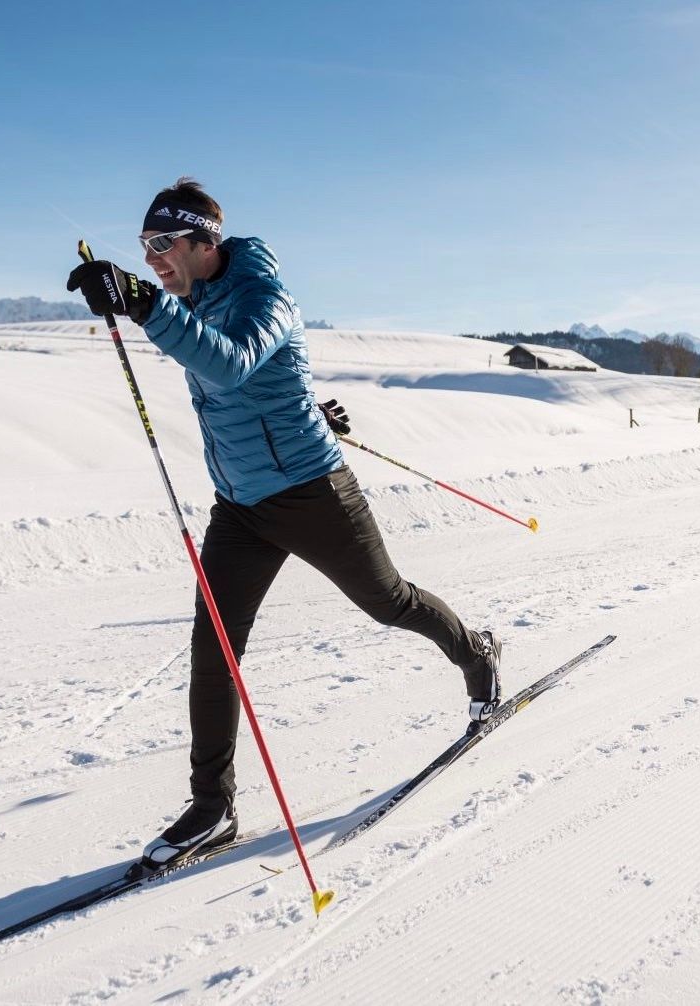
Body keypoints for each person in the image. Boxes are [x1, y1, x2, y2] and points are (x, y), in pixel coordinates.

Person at [66, 177, 500, 869]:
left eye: (163, 243)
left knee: (389, 603)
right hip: (238, 506)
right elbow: (255, 387)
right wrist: (301, 408)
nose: (152, 258)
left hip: (310, 493)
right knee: (214, 652)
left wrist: (144, 305)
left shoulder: (267, 295)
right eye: (144, 248)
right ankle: (213, 808)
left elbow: (233, 363)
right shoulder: (196, 300)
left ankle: (476, 652)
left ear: (206, 242)